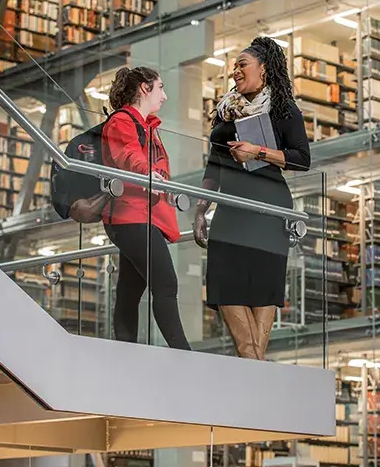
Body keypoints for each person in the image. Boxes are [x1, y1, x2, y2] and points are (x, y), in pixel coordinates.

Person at [193, 37, 311, 360]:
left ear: (263, 69)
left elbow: (302, 158)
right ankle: (260, 379)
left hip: (268, 213)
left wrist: (258, 152)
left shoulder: (284, 110)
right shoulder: (224, 113)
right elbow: (213, 167)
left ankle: (255, 380)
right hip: (231, 213)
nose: (236, 71)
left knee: (263, 294)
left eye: (242, 64)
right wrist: (201, 210)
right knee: (224, 285)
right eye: (233, 67)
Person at [102, 66, 191, 350]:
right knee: (165, 283)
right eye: (160, 87)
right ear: (144, 88)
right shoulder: (122, 121)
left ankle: (125, 352)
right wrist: (148, 174)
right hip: (131, 214)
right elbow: (126, 153)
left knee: (131, 288)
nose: (164, 96)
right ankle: (183, 355)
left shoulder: (148, 127)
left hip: (141, 214)